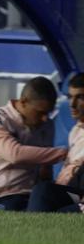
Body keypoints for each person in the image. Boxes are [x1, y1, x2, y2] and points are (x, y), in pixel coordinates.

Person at [0, 77, 66, 211]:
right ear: (23, 101)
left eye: (48, 113)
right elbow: (14, 154)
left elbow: (45, 168)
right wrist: (64, 153)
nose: (45, 118)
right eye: (40, 112)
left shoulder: (47, 125)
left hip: (25, 196)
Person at [27, 74, 84, 213]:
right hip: (70, 190)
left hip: (79, 194)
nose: (72, 104)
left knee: (45, 192)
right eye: (70, 97)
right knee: (42, 191)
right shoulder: (76, 131)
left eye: (80, 97)